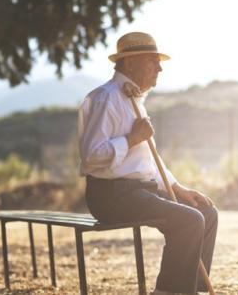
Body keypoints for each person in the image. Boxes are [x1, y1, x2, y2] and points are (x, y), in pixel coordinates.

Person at [78, 31, 218, 295]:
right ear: (130, 62)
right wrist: (131, 138)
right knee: (189, 221)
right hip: (111, 195)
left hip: (137, 191)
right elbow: (91, 156)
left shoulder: (133, 98)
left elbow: (147, 158)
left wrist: (178, 189)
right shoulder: (106, 98)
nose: (160, 68)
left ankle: (191, 290)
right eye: (153, 61)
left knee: (206, 213)